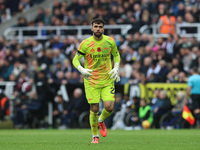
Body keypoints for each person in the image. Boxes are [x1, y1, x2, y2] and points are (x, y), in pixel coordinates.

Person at [72, 18, 120, 143]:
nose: (98, 28)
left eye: (100, 27)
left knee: (109, 107)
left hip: (107, 79)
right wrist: (82, 70)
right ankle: (95, 136)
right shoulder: (85, 43)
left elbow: (116, 55)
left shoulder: (110, 41)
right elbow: (75, 60)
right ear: (92, 28)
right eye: (96, 26)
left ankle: (100, 120)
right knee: (94, 108)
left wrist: (116, 67)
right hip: (91, 80)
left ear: (103, 29)